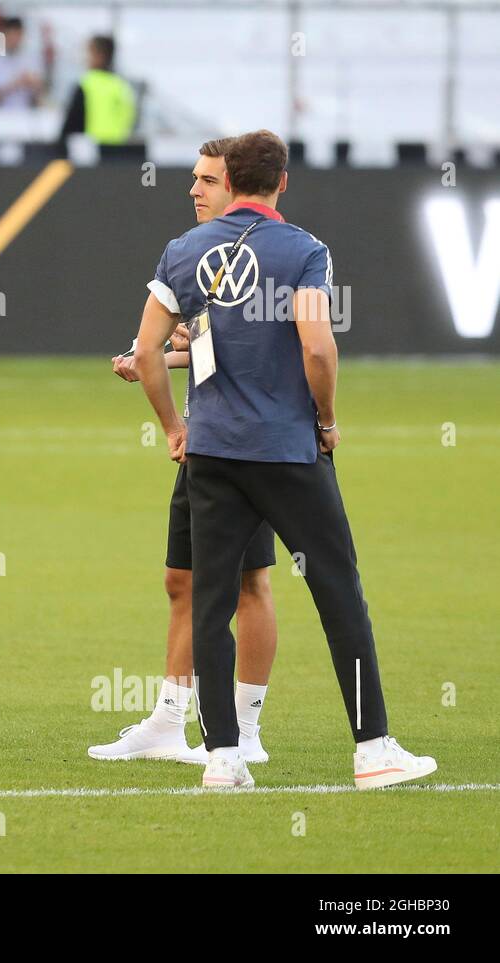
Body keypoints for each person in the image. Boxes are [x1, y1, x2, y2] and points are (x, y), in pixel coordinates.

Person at [133, 129, 437, 790]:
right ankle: (373, 748)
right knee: (337, 591)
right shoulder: (303, 250)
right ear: (281, 181)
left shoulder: (184, 250)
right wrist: (326, 419)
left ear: (231, 180)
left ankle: (222, 757)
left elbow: (147, 350)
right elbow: (318, 348)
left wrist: (173, 425)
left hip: (211, 451)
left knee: (211, 602)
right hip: (286, 449)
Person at [90, 137, 279, 766]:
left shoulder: (266, 256)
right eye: (193, 178)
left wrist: (170, 409)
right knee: (183, 579)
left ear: (238, 186)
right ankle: (170, 722)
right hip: (207, 442)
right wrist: (165, 355)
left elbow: (271, 354)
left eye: (207, 180)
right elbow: (217, 350)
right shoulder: (208, 259)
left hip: (245, 446)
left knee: (249, 582)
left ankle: (246, 731)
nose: (194, 190)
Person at [56, 35, 135, 150]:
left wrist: (59, 146)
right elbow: (129, 120)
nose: (85, 58)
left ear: (99, 56)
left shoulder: (86, 84)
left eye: (88, 53)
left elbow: (71, 124)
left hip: (91, 152)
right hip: (119, 152)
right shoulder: (122, 86)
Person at [0, 16, 44, 109]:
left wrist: (34, 87)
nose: (15, 40)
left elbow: (39, 102)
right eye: (11, 35)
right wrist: (13, 85)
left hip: (24, 118)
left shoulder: (31, 59)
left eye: (18, 35)